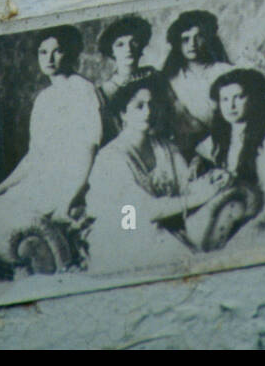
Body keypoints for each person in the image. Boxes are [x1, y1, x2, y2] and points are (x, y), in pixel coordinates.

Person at [0, 27, 101, 274]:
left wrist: (70, 198)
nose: (48, 58)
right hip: (40, 179)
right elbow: (35, 155)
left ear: (69, 53)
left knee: (11, 221)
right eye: (43, 52)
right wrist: (1, 188)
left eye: (57, 51)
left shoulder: (83, 90)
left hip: (71, 179)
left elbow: (88, 149)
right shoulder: (44, 99)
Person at [84, 76, 231, 273]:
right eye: (139, 106)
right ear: (123, 113)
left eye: (152, 105)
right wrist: (198, 197)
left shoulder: (165, 147)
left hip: (162, 227)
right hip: (122, 234)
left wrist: (212, 181)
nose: (148, 112)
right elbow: (145, 211)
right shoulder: (111, 157)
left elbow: (185, 186)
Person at [194, 69, 265, 226]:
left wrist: (261, 221)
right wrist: (196, 162)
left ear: (253, 98)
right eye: (225, 99)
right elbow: (201, 152)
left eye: (239, 97)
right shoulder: (224, 132)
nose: (231, 106)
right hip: (244, 208)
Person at [161, 10, 234, 159]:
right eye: (185, 39)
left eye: (198, 37)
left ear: (207, 39)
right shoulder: (171, 80)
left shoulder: (225, 71)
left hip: (228, 143)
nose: (192, 44)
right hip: (188, 152)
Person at [96, 15, 166, 141]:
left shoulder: (155, 76)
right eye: (120, 44)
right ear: (112, 51)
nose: (128, 49)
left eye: (133, 42)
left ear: (141, 46)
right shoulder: (104, 92)